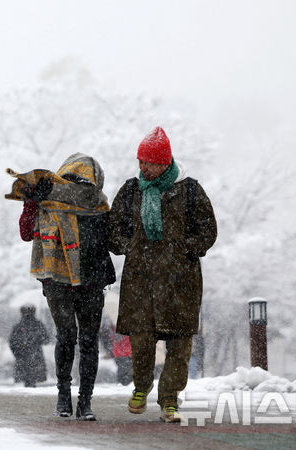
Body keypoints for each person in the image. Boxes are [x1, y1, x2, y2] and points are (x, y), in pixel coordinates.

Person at [107, 126, 217, 423]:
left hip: (180, 283)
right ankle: (141, 387)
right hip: (140, 282)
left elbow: (208, 230)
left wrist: (185, 249)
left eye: (149, 162)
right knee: (141, 343)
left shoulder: (190, 190)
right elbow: (113, 230)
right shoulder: (131, 190)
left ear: (165, 162)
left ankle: (169, 400)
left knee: (180, 346)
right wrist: (128, 245)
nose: (143, 167)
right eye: (140, 161)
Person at [8, 153, 116, 421]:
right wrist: (32, 202)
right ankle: (65, 396)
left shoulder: (99, 205)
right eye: (69, 180)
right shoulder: (47, 200)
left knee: (85, 340)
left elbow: (113, 241)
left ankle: (84, 400)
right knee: (69, 337)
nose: (74, 186)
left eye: (80, 181)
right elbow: (26, 232)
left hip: (90, 279)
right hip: (60, 280)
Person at [9, 304, 51, 387]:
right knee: (33, 380)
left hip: (22, 357)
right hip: (36, 357)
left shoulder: (18, 327)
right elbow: (46, 340)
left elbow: (12, 343)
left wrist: (17, 354)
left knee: (27, 381)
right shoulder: (38, 325)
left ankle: (27, 395)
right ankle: (32, 395)